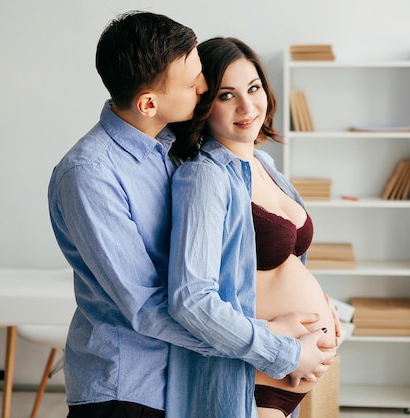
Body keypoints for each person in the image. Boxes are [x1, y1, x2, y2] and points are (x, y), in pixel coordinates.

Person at [48, 11, 333, 418]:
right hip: (128, 387)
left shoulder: (172, 149)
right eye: (195, 83)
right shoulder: (90, 175)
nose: (203, 86)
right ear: (148, 102)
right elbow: (149, 306)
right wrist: (275, 344)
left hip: (191, 375)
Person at [167, 37, 339, 418]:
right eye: (227, 95)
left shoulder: (265, 165)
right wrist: (284, 347)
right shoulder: (204, 177)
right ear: (203, 103)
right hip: (254, 377)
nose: (247, 106)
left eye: (254, 87)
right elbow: (191, 298)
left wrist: (324, 309)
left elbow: (283, 269)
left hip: (288, 371)